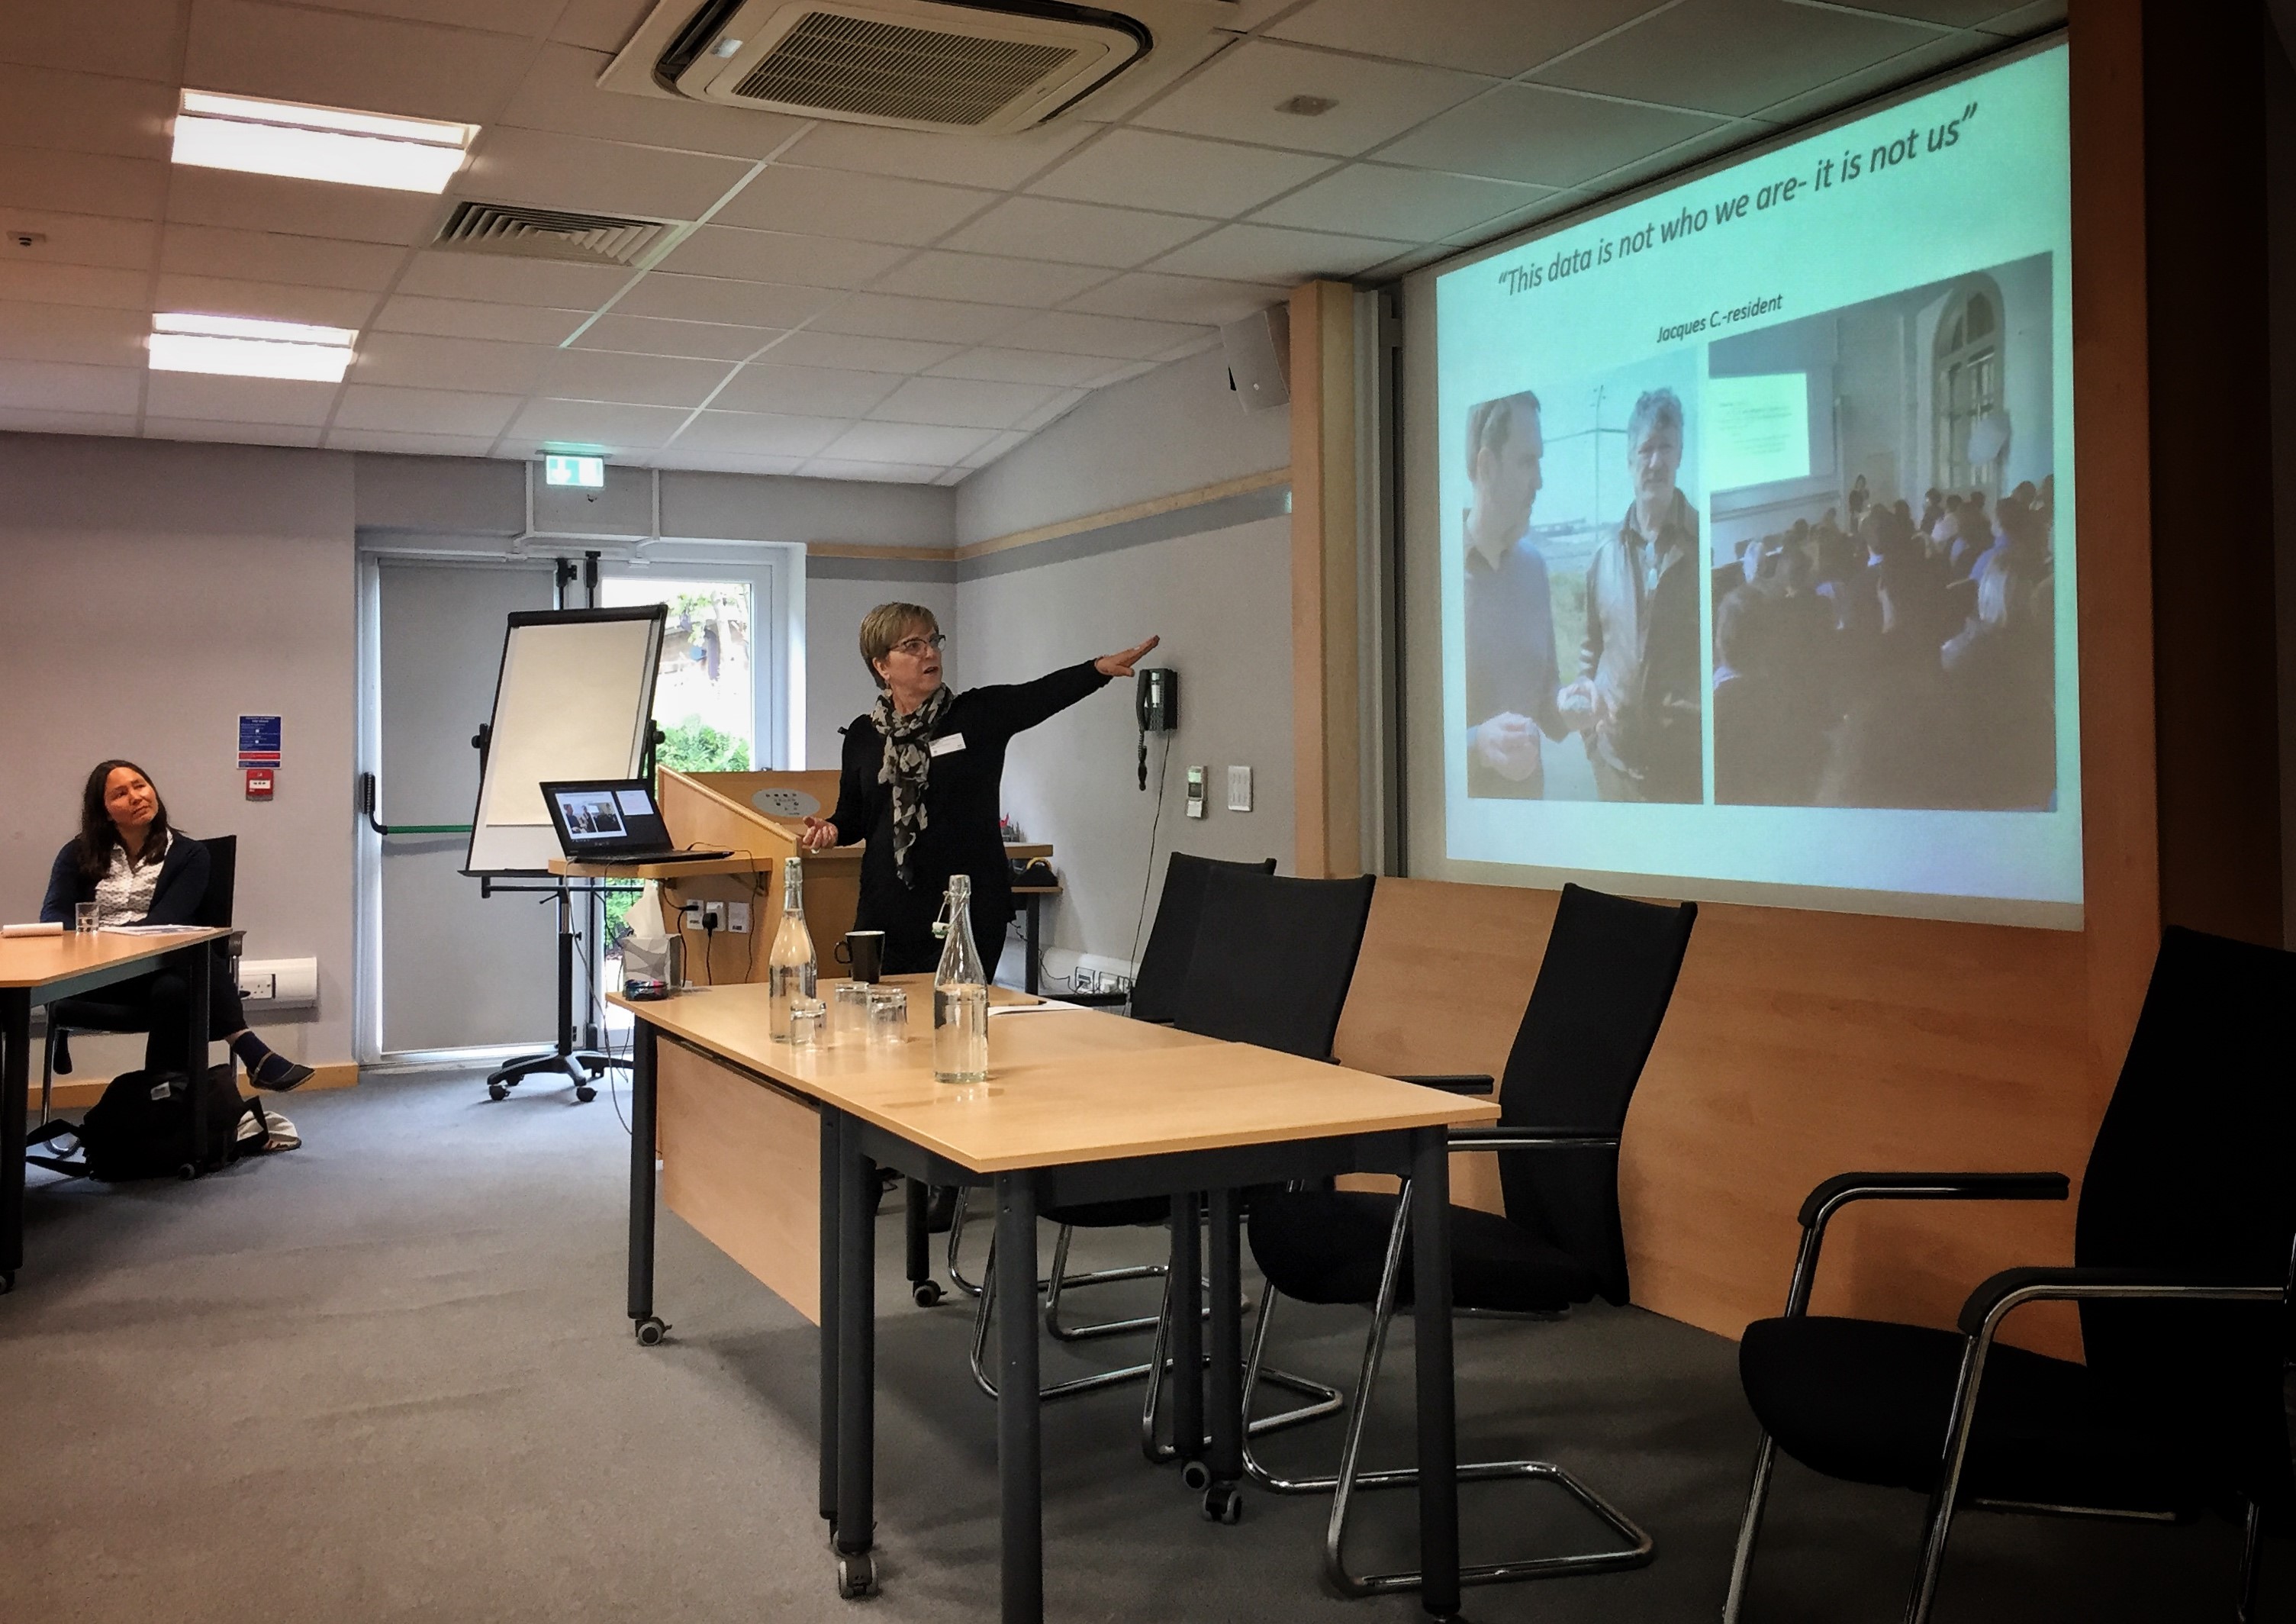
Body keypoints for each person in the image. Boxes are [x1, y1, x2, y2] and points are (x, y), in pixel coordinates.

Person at [800, 604, 1158, 978]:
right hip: (885, 911)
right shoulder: (863, 735)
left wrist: (1096, 670)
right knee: (875, 1013)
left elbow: (1038, 696)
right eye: (913, 645)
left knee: (956, 1012)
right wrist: (832, 830)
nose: (930, 652)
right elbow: (855, 817)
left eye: (933, 640)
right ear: (882, 666)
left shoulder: (976, 715)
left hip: (966, 910)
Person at [40, 759, 314, 1089]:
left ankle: (163, 1099)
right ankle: (247, 1049)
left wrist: (113, 933)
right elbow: (54, 916)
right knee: (191, 963)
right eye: (120, 794)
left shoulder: (190, 855)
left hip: (156, 965)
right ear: (104, 811)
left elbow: (168, 921)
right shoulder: (77, 854)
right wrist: (99, 942)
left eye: (140, 786)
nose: (136, 797)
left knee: (177, 985)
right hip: (95, 972)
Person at [1570, 387, 1700, 801]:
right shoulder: (1604, 555)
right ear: (1630, 461)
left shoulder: (1704, 547)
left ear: (1680, 455)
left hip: (1682, 778)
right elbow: (1591, 651)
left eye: (1666, 448)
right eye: (1646, 449)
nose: (1656, 462)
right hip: (1613, 771)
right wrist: (1593, 745)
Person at [1459, 392, 1572, 798]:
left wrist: (1571, 705)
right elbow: (1404, 733)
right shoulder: (1433, 574)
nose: (1539, 482)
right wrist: (1478, 745)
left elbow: (1546, 704)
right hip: (1451, 825)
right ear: (1487, 467)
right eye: (1527, 462)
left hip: (1529, 816)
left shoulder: (1534, 568)